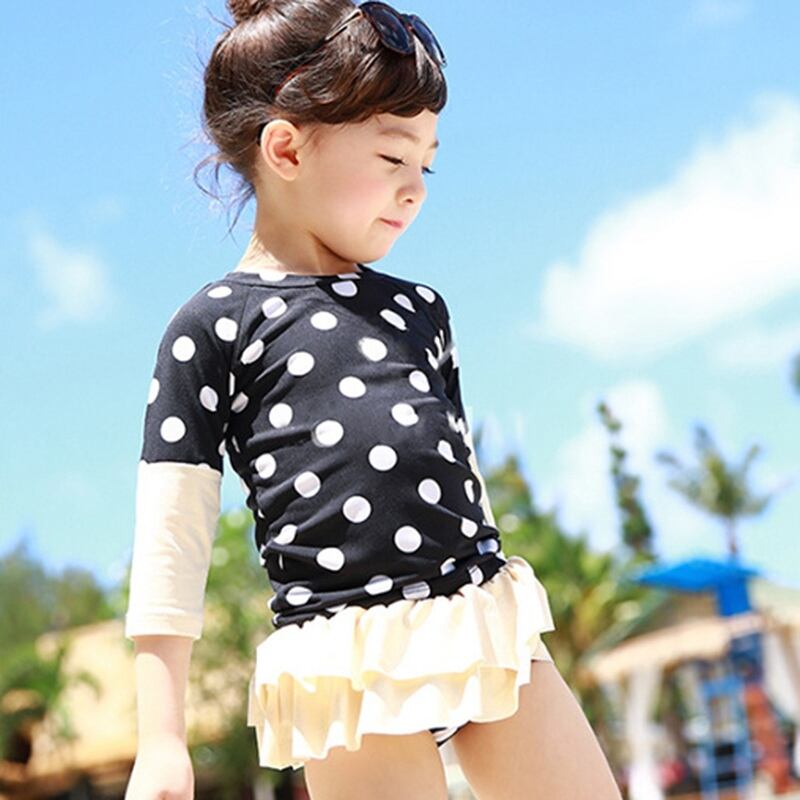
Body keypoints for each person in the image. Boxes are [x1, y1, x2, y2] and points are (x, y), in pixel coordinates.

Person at [123, 2, 624, 799]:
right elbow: (171, 535)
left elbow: (460, 471)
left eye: (428, 164)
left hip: (478, 616)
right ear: (286, 148)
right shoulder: (214, 325)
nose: (414, 188)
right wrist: (161, 742)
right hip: (343, 657)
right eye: (393, 156)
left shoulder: (421, 310)